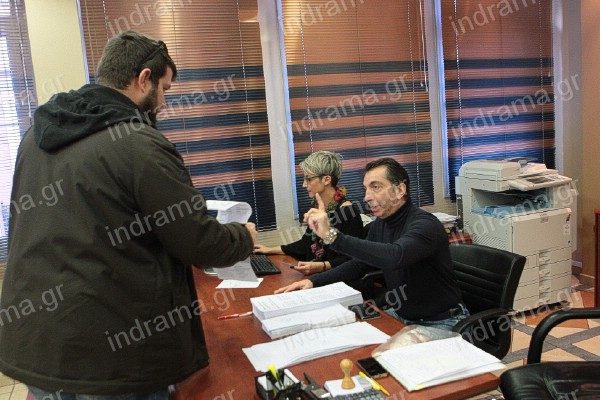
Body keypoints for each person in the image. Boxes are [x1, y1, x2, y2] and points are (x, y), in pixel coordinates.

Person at [0, 31, 256, 399]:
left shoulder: (36, 136)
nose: (163, 103)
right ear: (143, 79)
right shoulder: (138, 144)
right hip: (112, 357)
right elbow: (198, 241)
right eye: (164, 89)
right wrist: (243, 237)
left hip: (39, 346)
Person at [275, 158, 468, 330]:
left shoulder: (426, 225)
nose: (367, 196)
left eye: (375, 187)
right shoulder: (381, 224)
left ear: (400, 190)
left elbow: (395, 256)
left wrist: (332, 236)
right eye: (366, 189)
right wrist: (313, 281)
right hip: (401, 315)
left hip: (441, 321)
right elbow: (360, 263)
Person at [254, 151, 364, 275]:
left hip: (340, 280)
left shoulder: (348, 212)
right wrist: (269, 250)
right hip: (319, 276)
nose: (303, 184)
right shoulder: (319, 209)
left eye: (309, 179)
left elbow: (353, 259)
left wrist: (322, 266)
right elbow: (305, 244)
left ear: (326, 179)